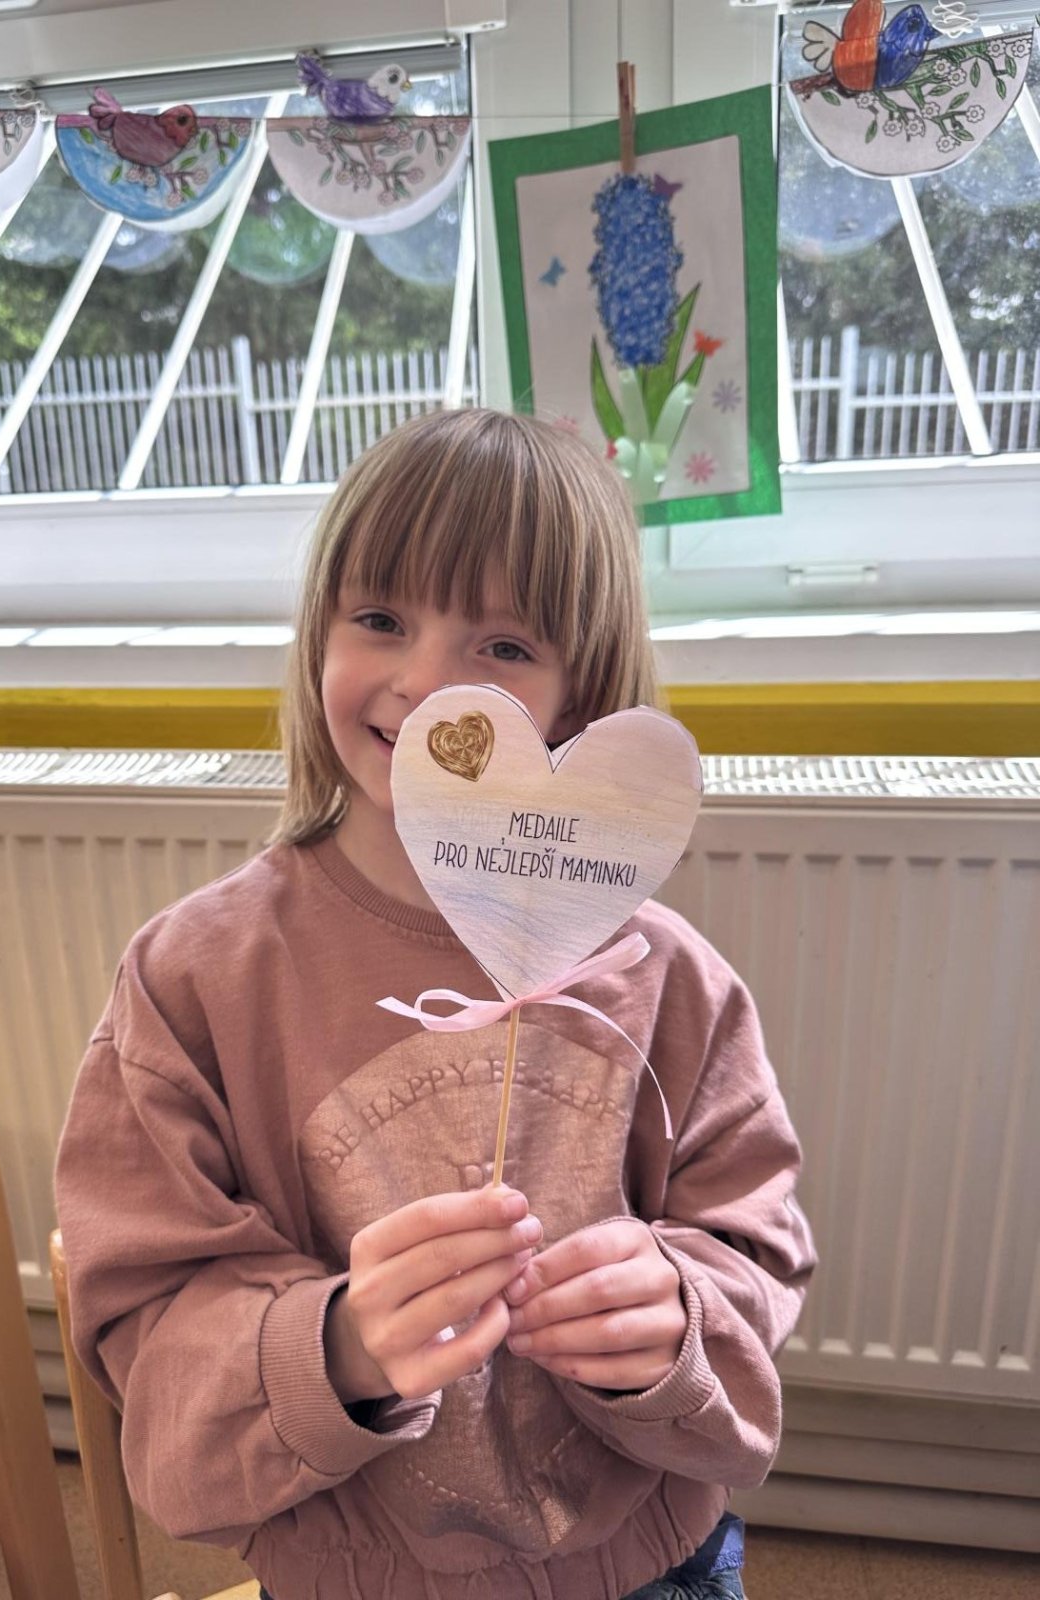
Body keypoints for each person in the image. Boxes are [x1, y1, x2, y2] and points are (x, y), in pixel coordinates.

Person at [56, 408, 816, 1600]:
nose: (426, 685)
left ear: (579, 695)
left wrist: (674, 1315)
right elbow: (142, 1312)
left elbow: (754, 1247)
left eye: (503, 644)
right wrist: (339, 1345)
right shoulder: (194, 979)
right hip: (353, 1570)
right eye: (380, 619)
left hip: (642, 1559)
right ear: (319, 632)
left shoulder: (670, 981)